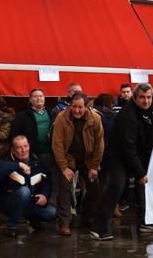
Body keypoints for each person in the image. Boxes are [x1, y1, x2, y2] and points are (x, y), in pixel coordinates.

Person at [91, 83, 153, 240]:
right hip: (119, 156)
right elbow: (128, 147)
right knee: (117, 187)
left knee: (144, 187)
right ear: (134, 98)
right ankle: (98, 227)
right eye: (142, 97)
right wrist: (140, 173)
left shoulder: (151, 111)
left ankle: (146, 221)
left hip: (139, 155)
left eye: (148, 97)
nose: (146, 101)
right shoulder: (127, 116)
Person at [51, 93, 104, 236]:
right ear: (70, 105)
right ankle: (65, 223)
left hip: (87, 159)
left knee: (95, 187)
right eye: (74, 107)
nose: (77, 110)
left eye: (80, 107)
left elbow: (100, 144)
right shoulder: (61, 118)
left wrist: (94, 166)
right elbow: (57, 145)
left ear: (86, 106)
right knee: (65, 189)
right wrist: (64, 167)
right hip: (68, 158)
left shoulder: (96, 119)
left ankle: (87, 218)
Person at [0, 135, 57, 237]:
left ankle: (32, 219)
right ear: (13, 150)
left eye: (25, 146)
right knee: (24, 191)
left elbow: (47, 182)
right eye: (19, 147)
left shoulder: (37, 162)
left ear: (29, 146)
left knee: (52, 212)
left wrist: (44, 195)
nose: (23, 150)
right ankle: (12, 226)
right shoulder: (6, 161)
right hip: (9, 204)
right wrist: (18, 165)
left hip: (30, 204)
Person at [9, 89, 54, 168]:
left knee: (49, 175)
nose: (39, 98)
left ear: (44, 98)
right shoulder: (22, 115)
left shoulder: (52, 112)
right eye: (35, 96)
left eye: (41, 96)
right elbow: (14, 134)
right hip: (32, 153)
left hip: (50, 151)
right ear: (30, 100)